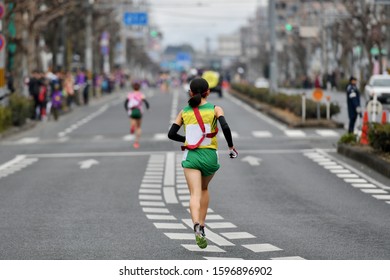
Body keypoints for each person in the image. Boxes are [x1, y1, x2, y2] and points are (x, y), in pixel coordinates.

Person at [167, 78, 238, 249]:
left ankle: (196, 225)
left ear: (190, 92)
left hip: (191, 156)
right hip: (210, 156)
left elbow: (171, 134)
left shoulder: (184, 112)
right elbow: (226, 128)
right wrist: (230, 147)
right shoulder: (215, 109)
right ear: (208, 92)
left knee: (194, 194)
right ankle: (204, 226)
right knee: (205, 189)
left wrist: (188, 139)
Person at [124, 82, 150, 149]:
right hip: (139, 111)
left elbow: (126, 103)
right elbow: (146, 102)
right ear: (139, 88)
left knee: (133, 123)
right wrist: (147, 108)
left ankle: (132, 126)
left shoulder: (130, 94)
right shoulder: (141, 94)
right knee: (138, 127)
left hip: (131, 111)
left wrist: (127, 109)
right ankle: (136, 142)